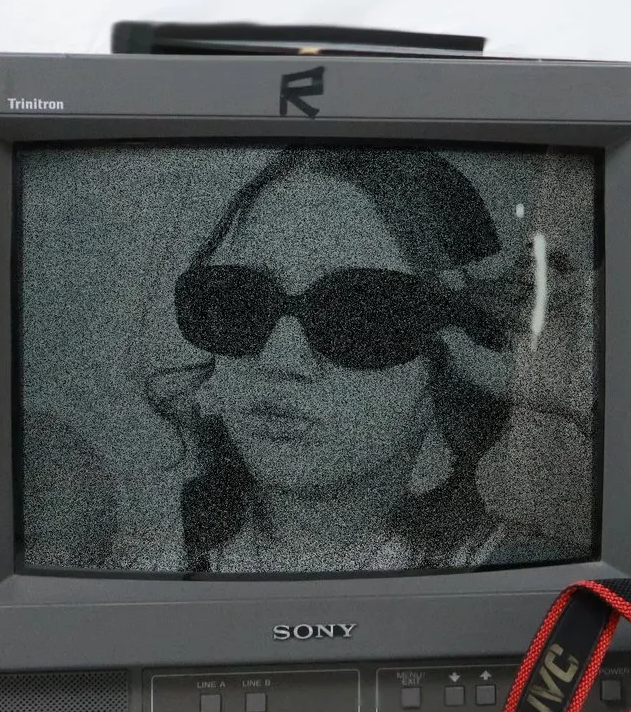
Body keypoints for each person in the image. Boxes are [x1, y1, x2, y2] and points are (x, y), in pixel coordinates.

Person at [144, 146, 590, 575]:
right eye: (240, 302)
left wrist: (581, 394)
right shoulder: (140, 566)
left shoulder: (542, 580)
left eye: (359, 314)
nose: (281, 360)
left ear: (452, 363)